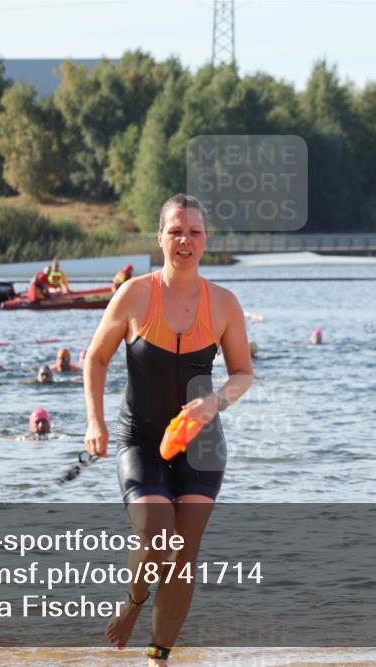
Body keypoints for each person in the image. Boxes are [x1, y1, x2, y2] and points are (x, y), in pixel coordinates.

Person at [83, 193, 253, 663]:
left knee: (184, 554)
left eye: (194, 232)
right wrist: (95, 422)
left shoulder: (223, 303)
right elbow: (95, 358)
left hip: (201, 446)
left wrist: (214, 402)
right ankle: (134, 602)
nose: (185, 240)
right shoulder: (136, 295)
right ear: (159, 237)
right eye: (175, 231)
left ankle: (159, 657)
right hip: (140, 437)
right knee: (159, 539)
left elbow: (243, 373)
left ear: (206, 240)